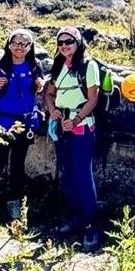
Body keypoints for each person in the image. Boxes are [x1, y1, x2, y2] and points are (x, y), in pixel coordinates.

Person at [0, 28, 45, 233]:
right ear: (9, 44)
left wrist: (40, 85)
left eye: (25, 43)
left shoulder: (35, 66)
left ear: (30, 47)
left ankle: (15, 205)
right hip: (2, 123)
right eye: (16, 43)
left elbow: (40, 88)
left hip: (25, 123)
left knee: (18, 166)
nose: (19, 47)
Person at [44, 26, 102, 249]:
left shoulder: (88, 65)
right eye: (60, 42)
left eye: (69, 41)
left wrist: (76, 119)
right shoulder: (59, 65)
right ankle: (76, 216)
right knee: (67, 172)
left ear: (78, 42)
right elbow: (49, 93)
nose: (64, 46)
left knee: (83, 175)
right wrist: (52, 110)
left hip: (81, 127)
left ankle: (92, 223)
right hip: (62, 127)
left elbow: (93, 99)